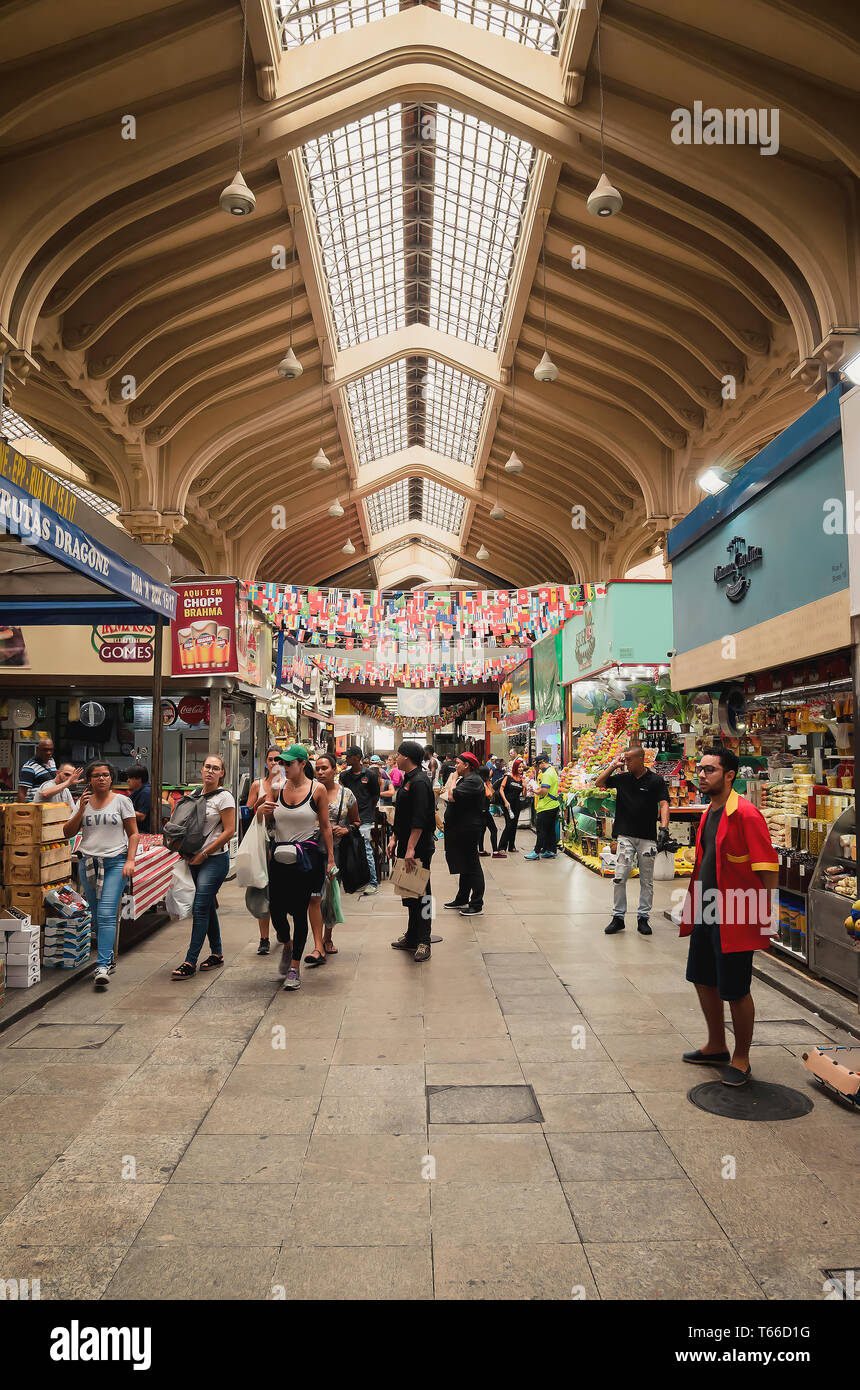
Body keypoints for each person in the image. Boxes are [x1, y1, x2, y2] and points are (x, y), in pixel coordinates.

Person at [681, 747, 779, 1087]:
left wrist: (769, 916)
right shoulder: (710, 812)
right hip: (706, 907)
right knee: (702, 978)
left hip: (736, 912)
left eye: (709, 769)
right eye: (700, 769)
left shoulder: (747, 814)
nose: (702, 775)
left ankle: (742, 1058)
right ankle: (716, 1045)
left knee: (736, 988)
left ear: (729, 775)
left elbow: (767, 869)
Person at [256, 744, 335, 990]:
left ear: (302, 764)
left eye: (289, 763)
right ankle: (286, 943)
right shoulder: (276, 788)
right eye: (282, 763)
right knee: (277, 911)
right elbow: (264, 821)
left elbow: (324, 826)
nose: (284, 767)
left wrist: (330, 858)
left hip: (305, 860)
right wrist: (261, 810)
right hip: (278, 858)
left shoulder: (317, 789)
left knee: (300, 913)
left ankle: (294, 968)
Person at [63, 760, 138, 991]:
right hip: (88, 863)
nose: (102, 779)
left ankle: (103, 965)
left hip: (115, 862)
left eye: (106, 775)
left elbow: (133, 834)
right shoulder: (82, 802)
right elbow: (68, 832)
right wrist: (82, 810)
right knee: (96, 915)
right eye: (96, 775)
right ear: (89, 780)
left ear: (111, 778)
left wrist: (130, 860)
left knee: (106, 913)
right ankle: (109, 958)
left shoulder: (122, 801)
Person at [171, 754, 236, 979]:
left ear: (222, 773)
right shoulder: (194, 795)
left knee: (199, 907)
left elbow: (230, 831)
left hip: (214, 859)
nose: (210, 771)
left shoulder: (224, 798)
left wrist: (204, 853)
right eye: (207, 767)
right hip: (192, 858)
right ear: (201, 770)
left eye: (215, 768)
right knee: (206, 906)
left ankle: (190, 960)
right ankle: (217, 953)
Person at [595, 743, 670, 935]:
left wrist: (664, 828)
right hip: (625, 836)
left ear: (640, 759)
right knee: (620, 876)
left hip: (647, 838)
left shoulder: (656, 781)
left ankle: (643, 917)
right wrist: (613, 765)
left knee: (647, 880)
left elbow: (663, 804)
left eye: (629, 759)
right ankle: (618, 917)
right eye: (625, 759)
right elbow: (599, 783)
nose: (626, 762)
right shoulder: (623, 779)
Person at [388, 741, 436, 959]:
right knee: (409, 891)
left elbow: (419, 819)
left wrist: (410, 848)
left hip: (418, 847)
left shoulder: (420, 782)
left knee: (424, 893)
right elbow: (402, 815)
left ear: (406, 757)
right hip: (406, 844)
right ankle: (412, 934)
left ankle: (424, 941)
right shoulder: (408, 779)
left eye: (398, 754)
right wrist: (394, 838)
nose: (395, 757)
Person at [313, 751, 360, 955]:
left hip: (336, 850)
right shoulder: (310, 791)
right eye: (318, 768)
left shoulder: (346, 794)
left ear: (334, 770)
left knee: (330, 894)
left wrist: (346, 829)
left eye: (325, 768)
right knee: (314, 895)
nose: (321, 772)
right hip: (311, 848)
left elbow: (356, 821)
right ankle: (316, 941)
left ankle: (327, 937)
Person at [245, 746, 286, 955]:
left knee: (280, 891)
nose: (274, 763)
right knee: (261, 888)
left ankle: (280, 926)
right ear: (265, 762)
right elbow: (248, 812)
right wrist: (263, 801)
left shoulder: (288, 785)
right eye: (271, 759)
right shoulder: (257, 784)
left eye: (278, 760)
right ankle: (263, 938)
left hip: (282, 841)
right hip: (262, 842)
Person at [442, 751, 486, 916]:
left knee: (472, 864)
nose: (455, 766)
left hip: (468, 828)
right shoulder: (467, 779)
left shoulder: (473, 780)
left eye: (458, 763)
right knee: (464, 864)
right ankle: (462, 898)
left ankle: (476, 903)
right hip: (460, 827)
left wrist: (453, 780)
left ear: (467, 765)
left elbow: (452, 796)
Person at [339, 744, 381, 896]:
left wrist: (367, 813)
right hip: (347, 820)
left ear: (357, 758)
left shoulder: (369, 775)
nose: (346, 758)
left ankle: (373, 882)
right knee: (349, 849)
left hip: (364, 818)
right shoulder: (344, 776)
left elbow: (375, 796)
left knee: (366, 850)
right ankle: (353, 880)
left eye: (349, 756)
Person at [525, 753, 560, 860]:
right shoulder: (552, 770)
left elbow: (544, 791)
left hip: (546, 806)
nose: (538, 767)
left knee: (541, 830)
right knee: (550, 830)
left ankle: (536, 852)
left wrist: (534, 790)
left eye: (538, 765)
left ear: (543, 762)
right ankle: (550, 850)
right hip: (552, 805)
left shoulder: (547, 774)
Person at [498, 756, 525, 853]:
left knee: (514, 825)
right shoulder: (508, 777)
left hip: (517, 804)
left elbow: (523, 794)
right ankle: (501, 847)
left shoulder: (522, 780)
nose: (521, 769)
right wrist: (505, 801)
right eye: (519, 767)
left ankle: (512, 846)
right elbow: (501, 789)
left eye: (522, 767)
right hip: (507, 804)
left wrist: (525, 787)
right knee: (509, 825)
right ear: (515, 768)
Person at [18, 736, 56, 802]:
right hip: (35, 807)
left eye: (51, 750)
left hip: (49, 805)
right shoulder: (29, 767)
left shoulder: (52, 761)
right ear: (38, 749)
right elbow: (22, 792)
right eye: (45, 750)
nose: (49, 753)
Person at [478, 763, 502, 857]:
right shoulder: (483, 783)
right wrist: (488, 784)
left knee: (482, 830)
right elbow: (490, 795)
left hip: (481, 810)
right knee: (493, 829)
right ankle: (495, 851)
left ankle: (481, 850)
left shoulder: (479, 782)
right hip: (484, 810)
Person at [126, 765, 152, 834]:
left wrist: (122, 811)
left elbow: (141, 816)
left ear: (139, 779)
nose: (128, 780)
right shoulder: (137, 791)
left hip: (145, 832)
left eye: (130, 778)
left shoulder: (146, 792)